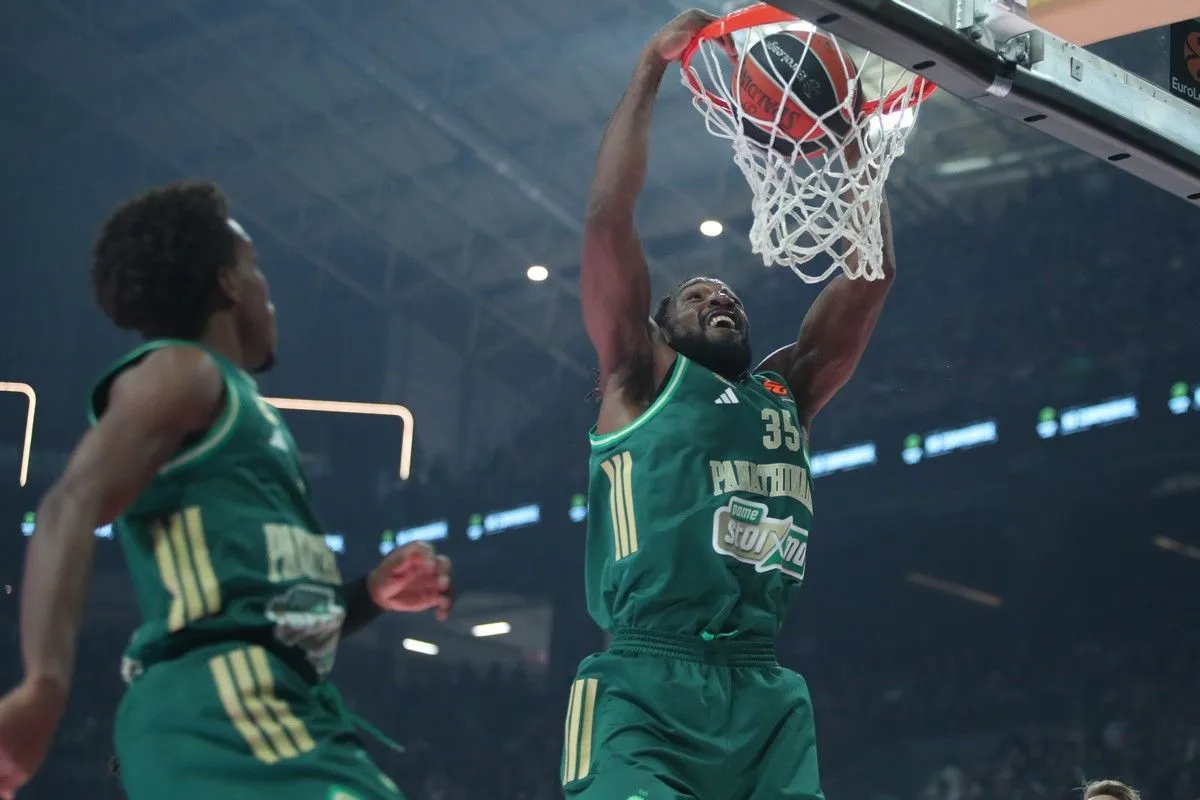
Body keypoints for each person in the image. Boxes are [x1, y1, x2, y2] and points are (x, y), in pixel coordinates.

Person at [0, 181, 453, 800]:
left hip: (272, 703)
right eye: (255, 268)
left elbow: (267, 616)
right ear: (229, 285)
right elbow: (66, 506)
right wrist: (44, 686)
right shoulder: (183, 371)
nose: (268, 291)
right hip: (223, 703)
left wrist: (372, 593)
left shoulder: (241, 415)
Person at [563, 9, 895, 800]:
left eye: (731, 297)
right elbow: (607, 220)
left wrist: (851, 140)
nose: (721, 298)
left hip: (762, 690)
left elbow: (870, 277)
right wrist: (650, 67)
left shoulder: (786, 390)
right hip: (644, 681)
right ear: (657, 329)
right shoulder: (639, 378)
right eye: (697, 296)